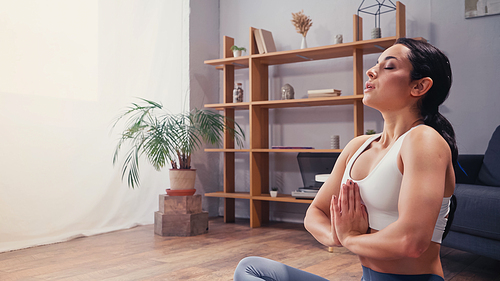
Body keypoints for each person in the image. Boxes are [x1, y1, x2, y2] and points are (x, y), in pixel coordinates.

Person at [234, 38, 457, 281]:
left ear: (419, 86)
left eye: (389, 67)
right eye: (375, 64)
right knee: (250, 268)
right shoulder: (357, 146)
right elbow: (315, 213)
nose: (371, 71)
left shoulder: (424, 140)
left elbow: (410, 242)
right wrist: (336, 236)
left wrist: (350, 238)